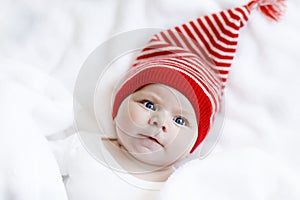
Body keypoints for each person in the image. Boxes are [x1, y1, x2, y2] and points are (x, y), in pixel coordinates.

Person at [51, 0, 285, 199]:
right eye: (149, 104)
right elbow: (27, 165)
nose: (159, 121)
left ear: (191, 148)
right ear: (118, 105)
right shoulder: (82, 146)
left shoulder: (185, 185)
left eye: (180, 121)